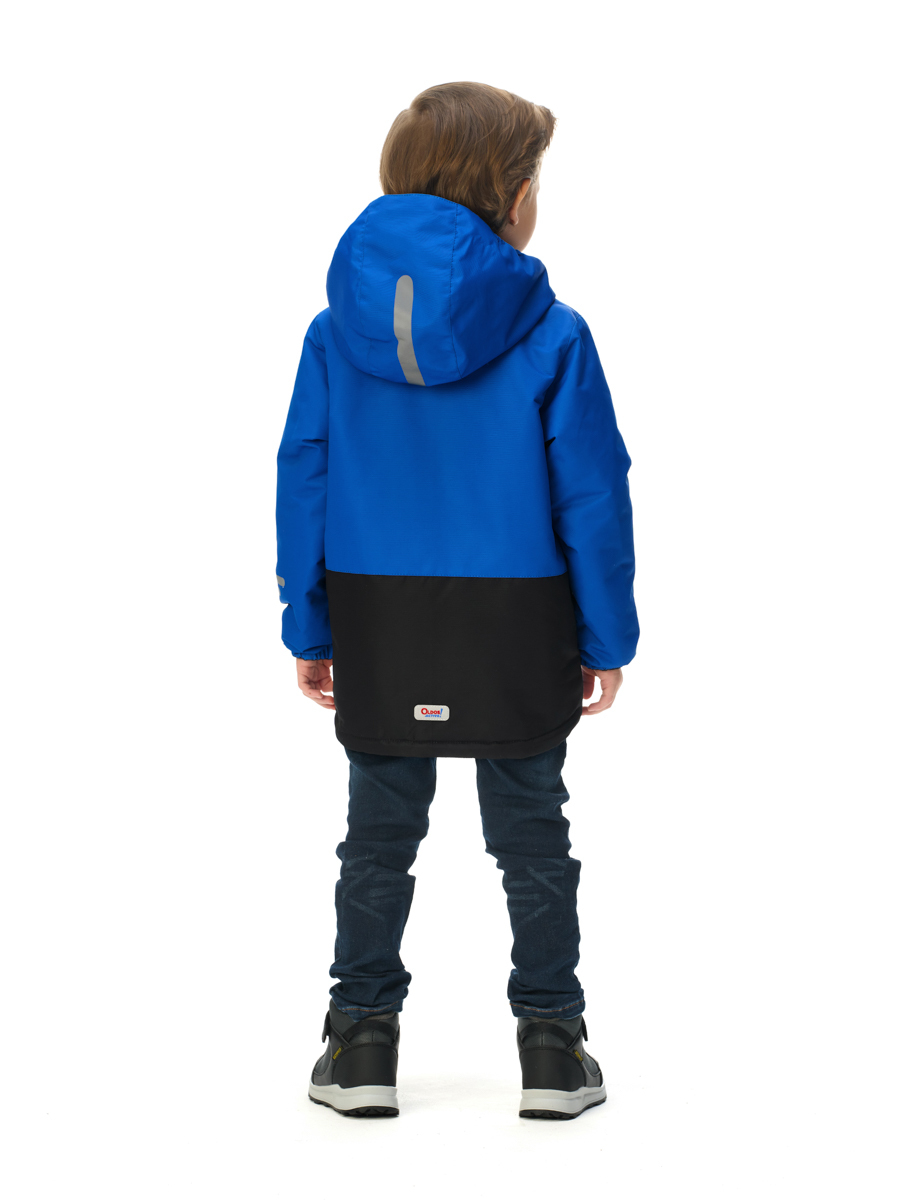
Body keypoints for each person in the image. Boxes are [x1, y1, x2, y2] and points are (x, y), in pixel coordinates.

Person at [276, 81, 638, 1120]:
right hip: (517, 620)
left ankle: (359, 1042)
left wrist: (310, 623)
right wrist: (605, 636)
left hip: (379, 613)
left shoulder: (333, 333)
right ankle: (554, 1046)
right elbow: (592, 495)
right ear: (511, 195)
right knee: (532, 835)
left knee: (378, 834)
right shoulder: (552, 332)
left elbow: (305, 477)